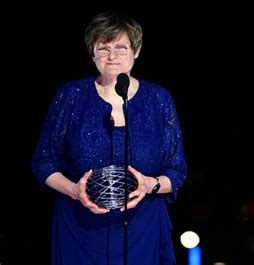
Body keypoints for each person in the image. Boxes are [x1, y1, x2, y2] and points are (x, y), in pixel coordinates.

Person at [31, 11, 186, 264]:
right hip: (79, 229)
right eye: (103, 48)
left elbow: (177, 172)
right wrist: (74, 190)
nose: (112, 56)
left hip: (142, 229)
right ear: (92, 52)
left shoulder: (159, 99)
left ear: (136, 51)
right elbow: (43, 163)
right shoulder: (71, 95)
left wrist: (149, 185)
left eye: (121, 47)